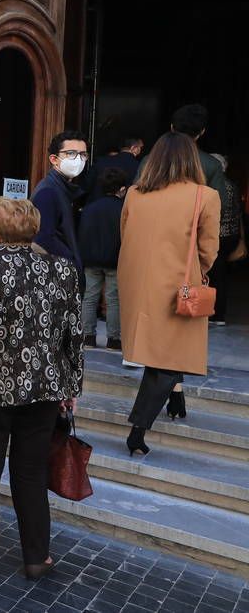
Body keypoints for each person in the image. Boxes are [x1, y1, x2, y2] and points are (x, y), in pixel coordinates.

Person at [0, 197, 83, 580]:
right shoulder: (62, 271)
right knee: (31, 471)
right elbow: (74, 336)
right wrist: (72, 385)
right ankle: (37, 556)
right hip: (43, 388)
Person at [119, 132, 220, 454]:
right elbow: (209, 249)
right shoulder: (205, 196)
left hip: (137, 281)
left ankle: (176, 399)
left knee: (161, 350)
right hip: (180, 283)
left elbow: (125, 234)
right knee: (169, 358)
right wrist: (198, 271)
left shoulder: (135, 193)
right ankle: (138, 429)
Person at [78, 167, 128, 350]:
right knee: (113, 299)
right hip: (114, 260)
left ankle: (88, 337)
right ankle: (113, 339)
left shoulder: (90, 208)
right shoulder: (123, 209)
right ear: (122, 189)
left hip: (91, 260)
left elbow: (83, 233)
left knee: (89, 297)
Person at [32, 130, 88, 274]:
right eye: (70, 153)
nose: (78, 159)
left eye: (83, 154)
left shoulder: (64, 190)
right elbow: (43, 238)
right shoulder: (48, 192)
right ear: (54, 159)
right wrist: (71, 262)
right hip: (55, 277)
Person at [209, 153, 241, 326]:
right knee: (220, 274)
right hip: (231, 236)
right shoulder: (232, 185)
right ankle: (215, 312)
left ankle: (216, 313)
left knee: (215, 275)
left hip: (218, 236)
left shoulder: (217, 185)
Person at [169, 104, 225, 194]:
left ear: (172, 127)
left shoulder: (149, 161)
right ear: (202, 132)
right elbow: (221, 204)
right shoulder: (213, 165)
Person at [87, 138, 143, 202]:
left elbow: (87, 185)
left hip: (96, 206)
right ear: (134, 148)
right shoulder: (139, 166)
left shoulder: (101, 161)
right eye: (140, 147)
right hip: (123, 209)